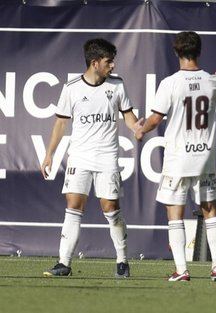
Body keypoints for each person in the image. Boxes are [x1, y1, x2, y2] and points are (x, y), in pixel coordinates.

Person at [135, 31, 216, 282]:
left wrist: (140, 129)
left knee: (175, 213)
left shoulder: (170, 83)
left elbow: (155, 119)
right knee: (210, 209)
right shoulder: (212, 80)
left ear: (176, 53)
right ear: (199, 51)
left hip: (178, 158)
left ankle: (182, 270)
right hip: (204, 157)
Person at [41, 38, 142, 278]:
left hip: (107, 156)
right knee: (73, 206)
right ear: (94, 63)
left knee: (111, 209)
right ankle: (63, 263)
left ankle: (122, 261)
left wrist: (137, 128)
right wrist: (49, 155)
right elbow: (61, 123)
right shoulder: (72, 87)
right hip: (79, 157)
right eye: (109, 61)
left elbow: (128, 116)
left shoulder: (117, 85)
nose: (113, 65)